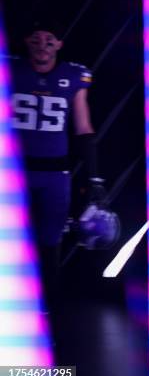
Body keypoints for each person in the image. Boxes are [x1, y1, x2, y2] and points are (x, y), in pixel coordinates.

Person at [9, 19, 101, 308]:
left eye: (50, 40)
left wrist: (93, 178)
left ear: (59, 44)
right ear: (27, 42)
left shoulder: (73, 76)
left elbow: (83, 128)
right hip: (14, 173)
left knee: (50, 243)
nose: (43, 46)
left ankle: (48, 311)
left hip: (54, 174)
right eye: (36, 39)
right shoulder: (11, 69)